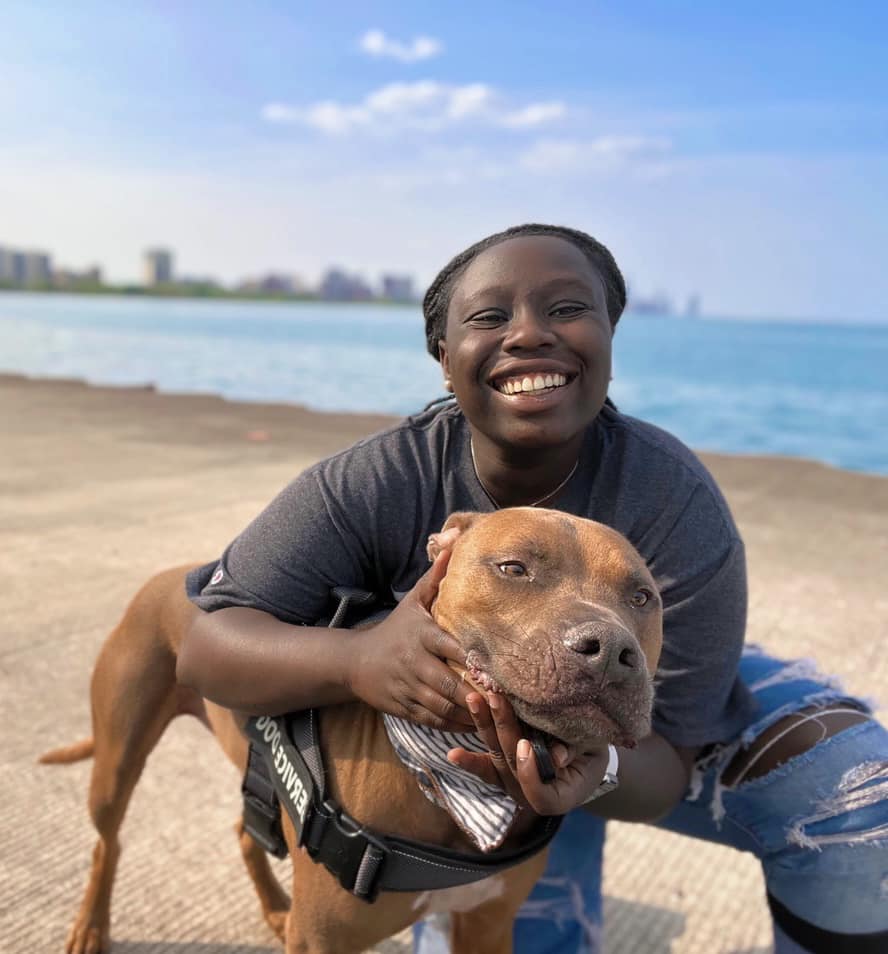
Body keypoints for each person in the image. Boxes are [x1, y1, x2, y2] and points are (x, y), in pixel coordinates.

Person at [177, 224, 888, 954]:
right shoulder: (378, 478)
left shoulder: (673, 499)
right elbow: (206, 647)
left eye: (568, 308)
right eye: (490, 316)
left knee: (856, 784)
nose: (528, 334)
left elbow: (669, 759)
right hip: (423, 747)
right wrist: (358, 660)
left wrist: (595, 769)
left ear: (609, 340)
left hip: (605, 748)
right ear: (444, 359)